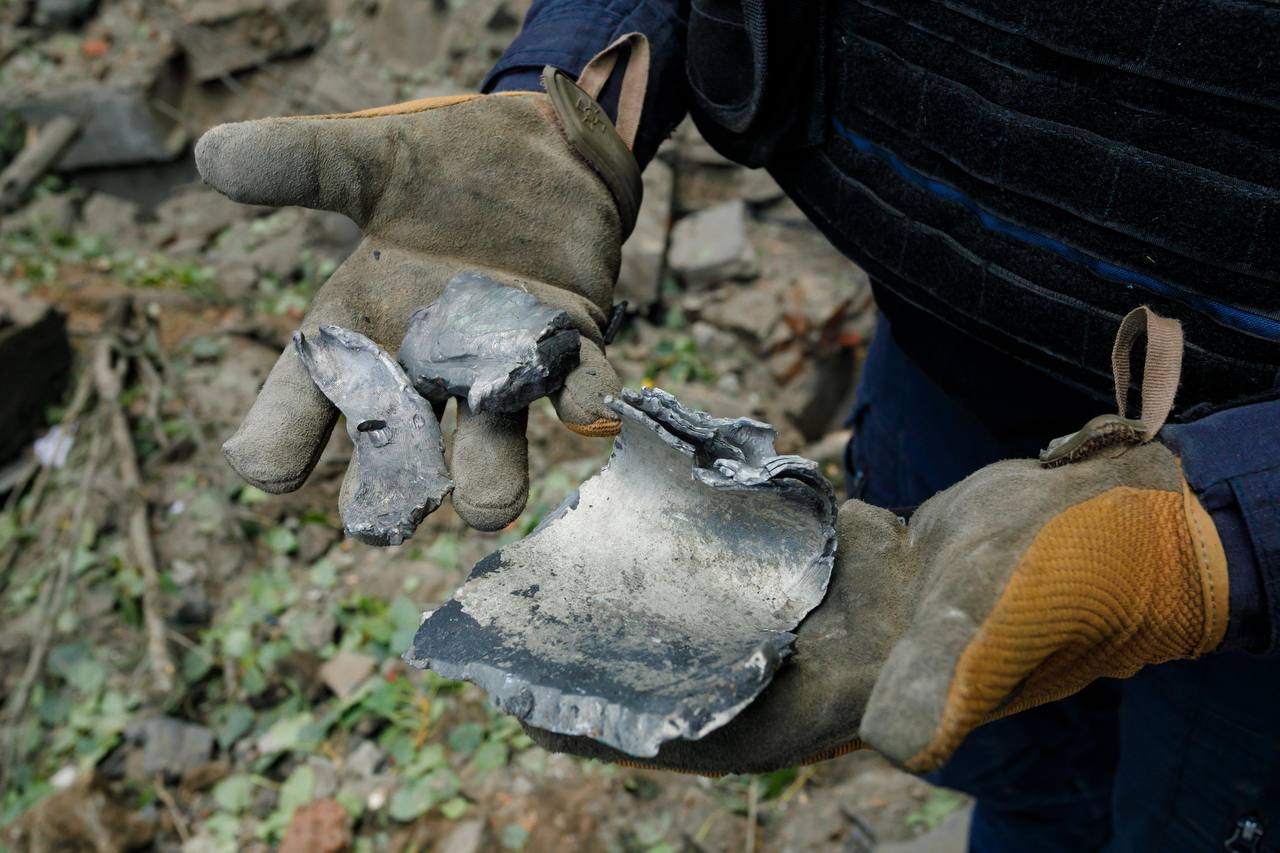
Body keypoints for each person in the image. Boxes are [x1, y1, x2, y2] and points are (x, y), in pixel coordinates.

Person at [192, 2, 1280, 849]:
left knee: (1199, 820)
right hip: (941, 357)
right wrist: (578, 95)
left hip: (1246, 509)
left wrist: (1226, 528)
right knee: (990, 749)